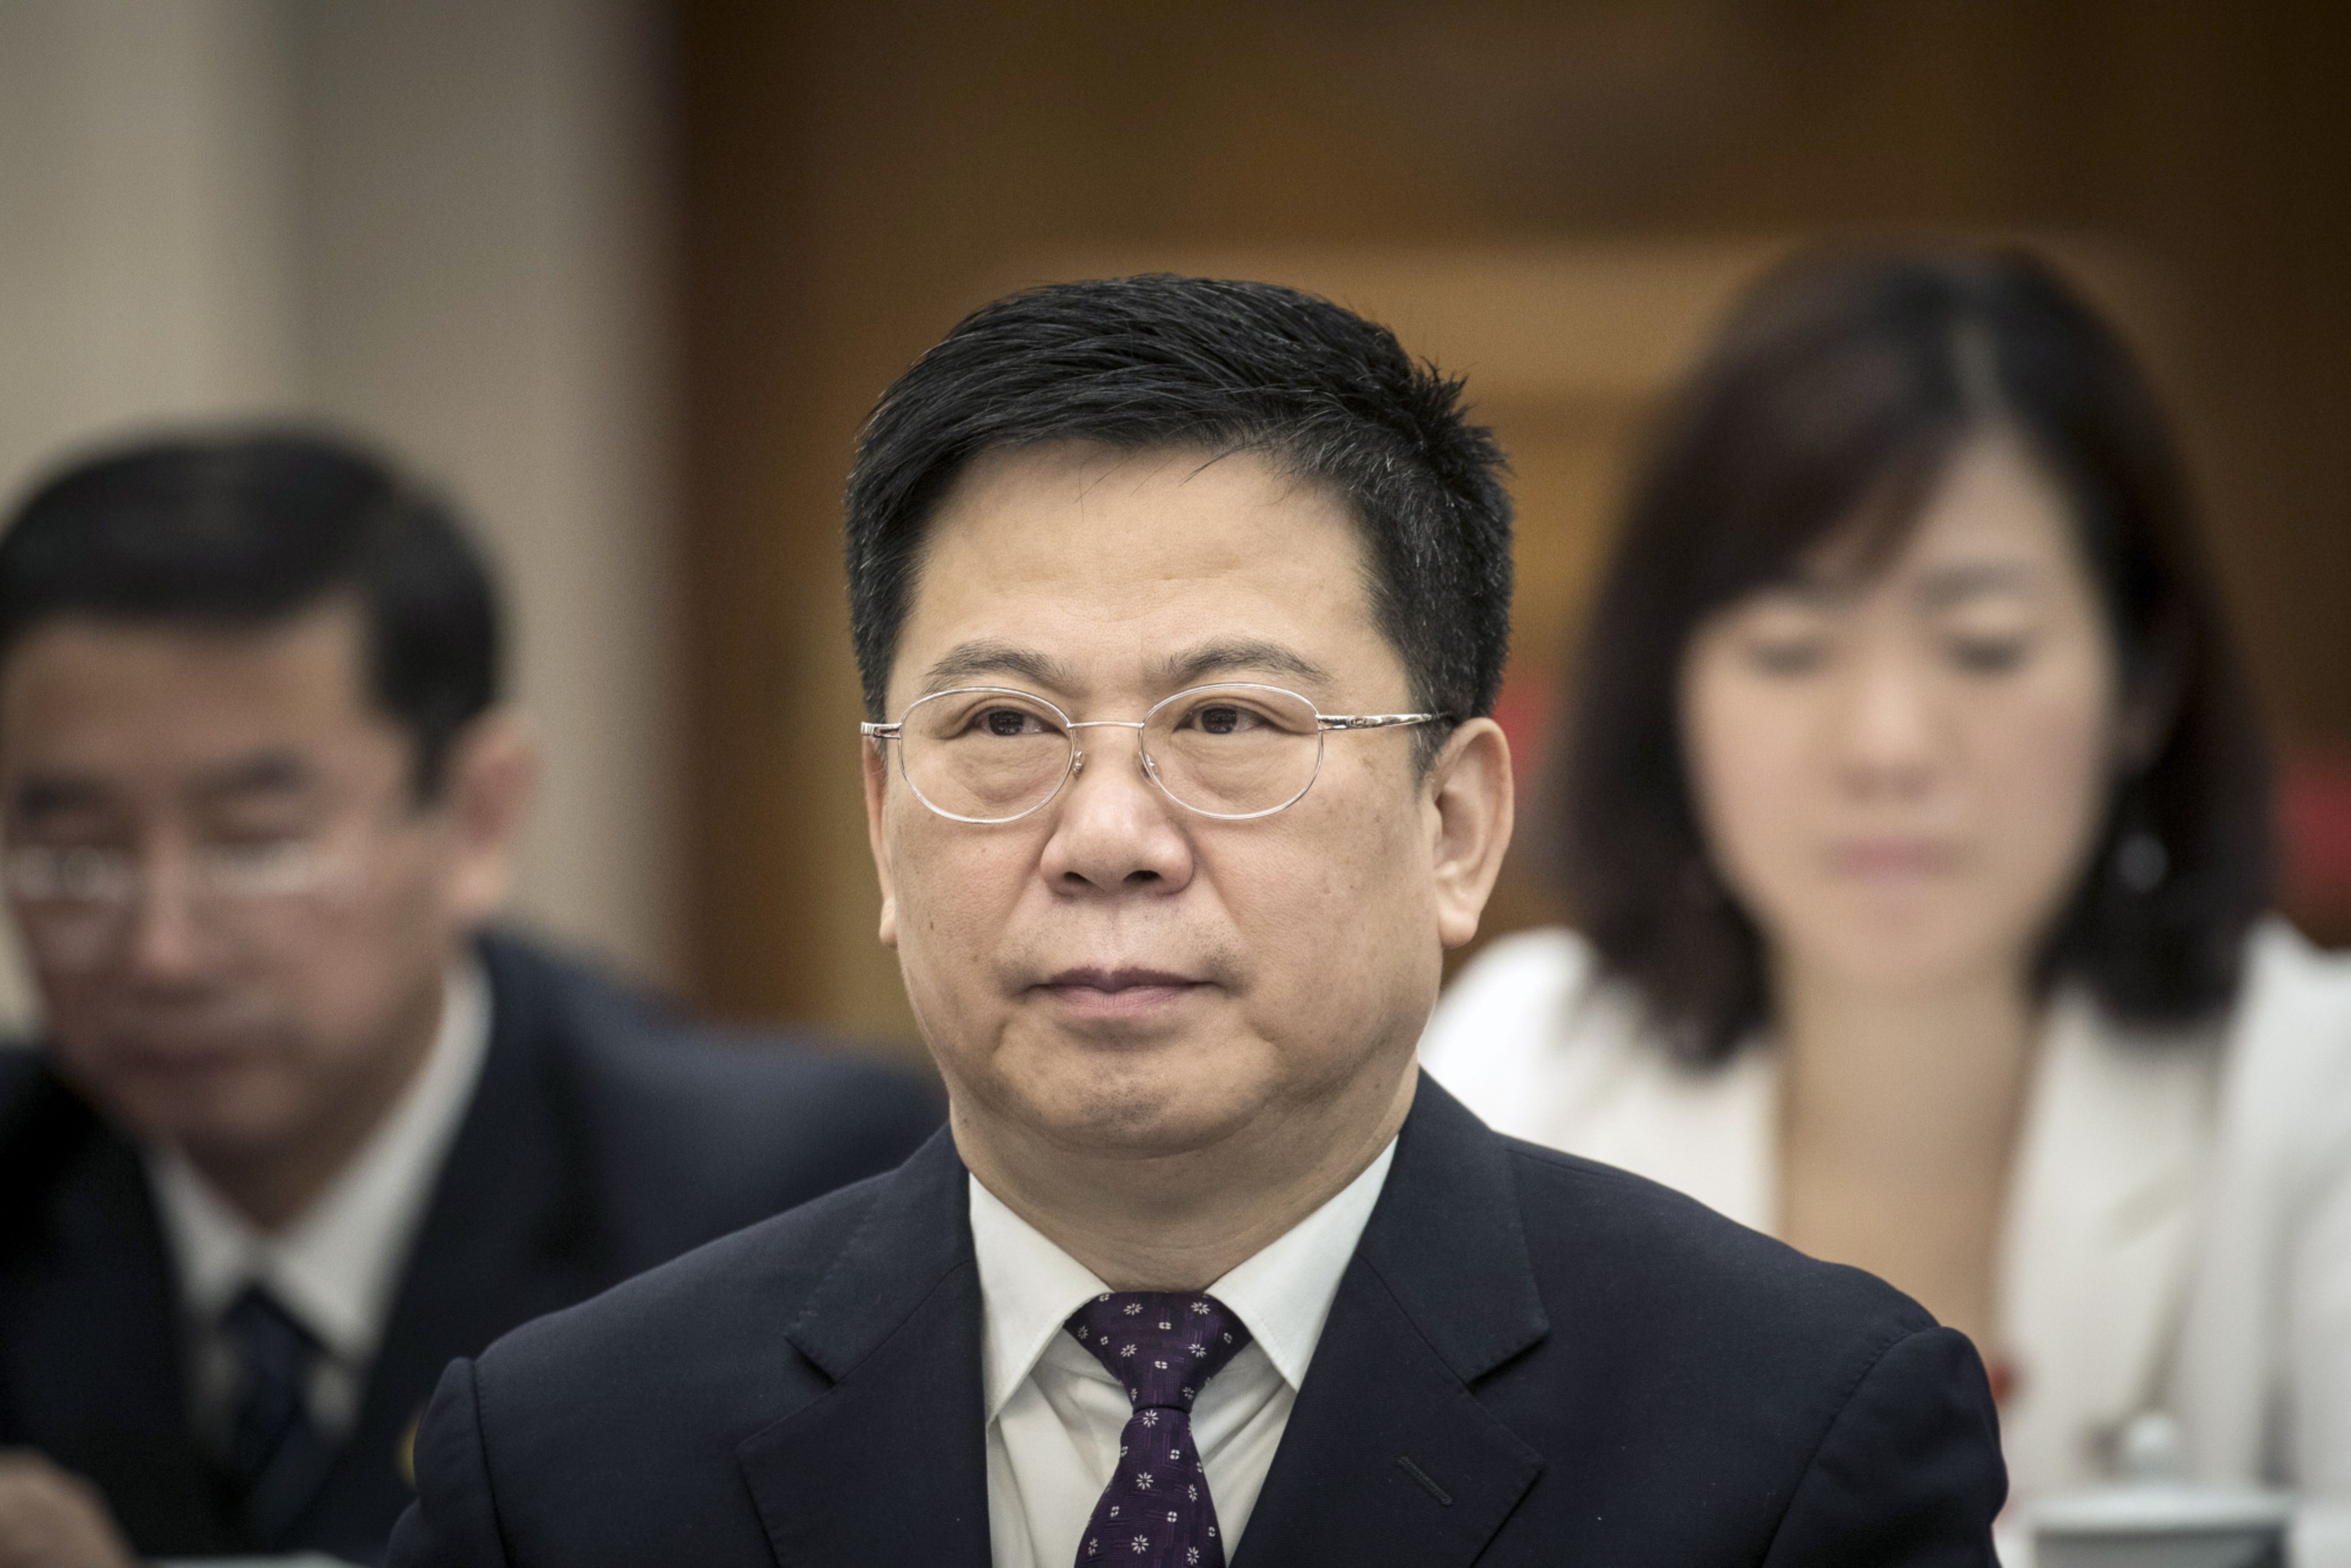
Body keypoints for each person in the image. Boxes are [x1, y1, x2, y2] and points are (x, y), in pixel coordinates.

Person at [385, 274, 2005, 1568]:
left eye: (1228, 722)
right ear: (883, 824)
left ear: (1452, 826)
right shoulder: (563, 1462)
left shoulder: (1792, 1439)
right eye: (1004, 728)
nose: (1105, 838)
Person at [1421, 248, 2351, 1506]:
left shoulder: (2311, 1097)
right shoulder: (1519, 1069)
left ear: (2143, 681)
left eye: (1984, 645)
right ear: (1670, 693)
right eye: (1791, 648)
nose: (1886, 748)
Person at [0, 432, 943, 1566]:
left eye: (254, 844)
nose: (161, 951)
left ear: (477, 815)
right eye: (74, 855)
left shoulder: (799, 1196)